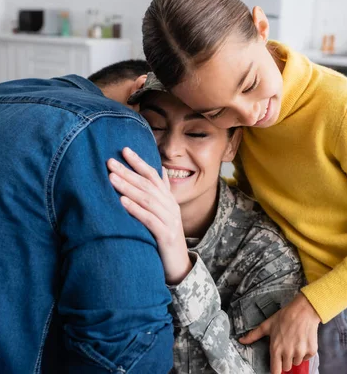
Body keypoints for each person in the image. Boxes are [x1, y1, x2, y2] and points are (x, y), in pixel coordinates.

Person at [139, 0, 347, 374]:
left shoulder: (344, 109)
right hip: (322, 297)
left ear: (262, 27)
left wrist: (309, 306)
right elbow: (259, 193)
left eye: (249, 84)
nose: (249, 114)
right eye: (217, 111)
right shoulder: (243, 118)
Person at [0, 60, 174, 373]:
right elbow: (128, 351)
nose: (170, 151)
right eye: (159, 128)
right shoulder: (111, 125)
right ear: (141, 89)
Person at [106, 73, 318, 374]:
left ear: (232, 145)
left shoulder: (267, 251)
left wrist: (182, 268)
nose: (170, 149)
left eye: (197, 133)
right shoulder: (107, 214)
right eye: (153, 127)